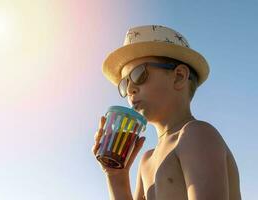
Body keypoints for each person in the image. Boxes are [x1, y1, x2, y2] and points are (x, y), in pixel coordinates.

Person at [92, 25, 241, 200]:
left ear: (178, 76)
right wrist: (116, 177)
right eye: (124, 84)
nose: (131, 89)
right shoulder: (147, 161)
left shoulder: (196, 134)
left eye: (139, 74)